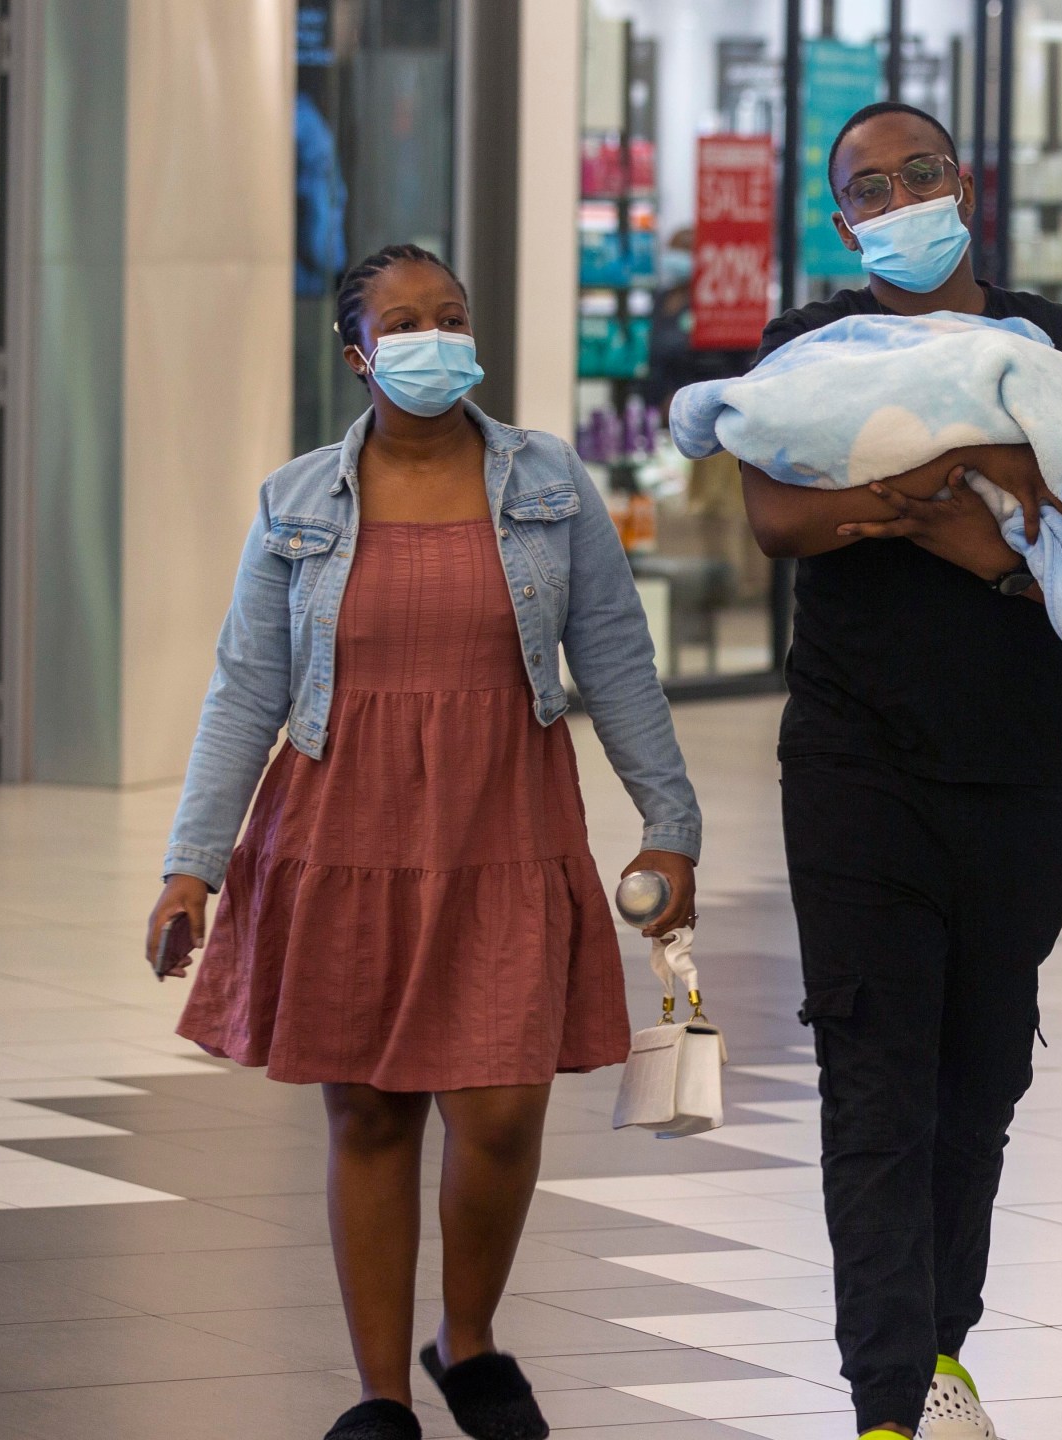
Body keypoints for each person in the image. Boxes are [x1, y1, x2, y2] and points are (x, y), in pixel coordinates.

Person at [144, 244, 702, 1440]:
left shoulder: (550, 483)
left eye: (450, 316)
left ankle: (468, 1336)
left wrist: (671, 825)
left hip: (505, 822)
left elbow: (616, 661)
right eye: (404, 324)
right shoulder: (295, 502)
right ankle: (380, 1397)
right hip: (342, 828)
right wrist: (189, 867)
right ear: (356, 355)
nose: (434, 338)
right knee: (375, 1113)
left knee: (500, 1110)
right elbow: (246, 689)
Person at [738, 101, 1062, 1440]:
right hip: (855, 768)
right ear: (839, 217)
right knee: (875, 1079)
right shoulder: (808, 346)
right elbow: (778, 513)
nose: (899, 197)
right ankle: (889, 1402)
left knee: (980, 1086)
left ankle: (944, 1348)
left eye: (921, 173)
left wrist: (928, 491)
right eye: (868, 186)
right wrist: (934, 503)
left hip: (1023, 771)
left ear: (967, 183)